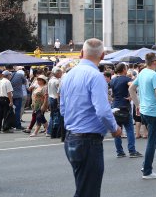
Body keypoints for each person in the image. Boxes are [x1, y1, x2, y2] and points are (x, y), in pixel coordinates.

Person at [61, 39, 122, 197]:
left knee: (83, 187)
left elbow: (62, 108)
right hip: (88, 140)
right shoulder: (96, 77)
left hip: (71, 137)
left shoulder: (68, 75)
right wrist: (115, 129)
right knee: (89, 191)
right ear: (102, 55)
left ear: (81, 53)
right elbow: (102, 111)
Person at [130, 52, 156, 179]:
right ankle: (147, 170)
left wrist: (138, 105)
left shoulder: (142, 72)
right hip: (153, 112)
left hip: (145, 111)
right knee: (152, 140)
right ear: (154, 62)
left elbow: (131, 89)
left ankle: (146, 164)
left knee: (155, 137)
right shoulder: (154, 75)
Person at [108, 63, 140, 158]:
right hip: (124, 107)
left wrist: (111, 98)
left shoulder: (113, 80)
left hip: (115, 106)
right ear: (123, 69)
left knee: (117, 130)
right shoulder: (127, 79)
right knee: (129, 129)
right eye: (126, 68)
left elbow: (109, 91)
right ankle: (132, 150)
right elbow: (132, 86)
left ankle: (120, 152)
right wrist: (131, 96)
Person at [47, 68, 62, 138]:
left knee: (52, 115)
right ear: (58, 73)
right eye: (60, 73)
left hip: (50, 98)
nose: (61, 75)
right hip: (55, 99)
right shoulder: (57, 81)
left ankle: (50, 131)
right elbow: (59, 92)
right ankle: (53, 131)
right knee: (56, 116)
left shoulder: (50, 80)